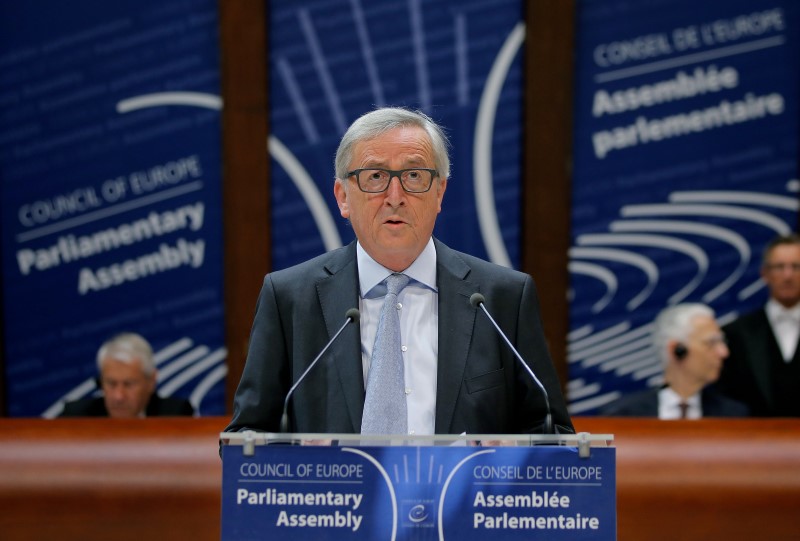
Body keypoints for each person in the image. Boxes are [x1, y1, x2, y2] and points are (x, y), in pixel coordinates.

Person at [225, 107, 573, 435]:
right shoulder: (289, 299)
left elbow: (551, 433)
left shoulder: (502, 299)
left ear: (439, 192)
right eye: (375, 176)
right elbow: (247, 438)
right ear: (342, 196)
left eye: (414, 175)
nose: (395, 196)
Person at [602, 303, 748, 418]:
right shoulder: (622, 414)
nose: (723, 352)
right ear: (677, 350)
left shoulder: (732, 415)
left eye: (722, 342)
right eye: (711, 343)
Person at [717, 233, 800, 417]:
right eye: (779, 267)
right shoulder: (735, 333)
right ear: (765, 274)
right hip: (751, 440)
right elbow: (724, 399)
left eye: (796, 267)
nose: (788, 275)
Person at [60, 332, 194, 418]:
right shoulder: (77, 417)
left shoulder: (175, 416)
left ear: (151, 381)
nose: (118, 396)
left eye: (129, 384)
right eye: (111, 384)